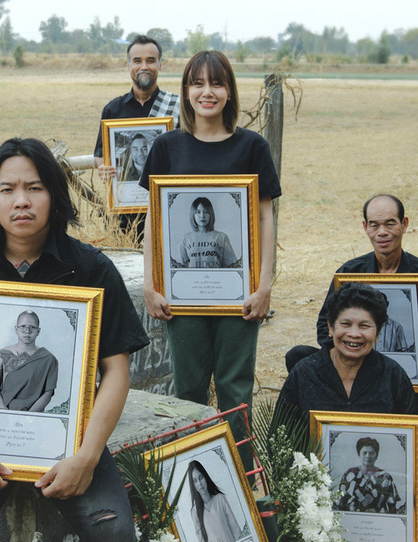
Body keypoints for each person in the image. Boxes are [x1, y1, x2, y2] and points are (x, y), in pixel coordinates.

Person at [0, 138, 149, 542]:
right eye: (7, 189)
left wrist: (87, 458)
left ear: (54, 196)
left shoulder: (91, 269)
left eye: (34, 188)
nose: (21, 201)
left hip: (69, 441)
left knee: (116, 535)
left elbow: (116, 370)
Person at [140, 50, 280, 470]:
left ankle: (242, 476)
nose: (207, 92)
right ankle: (190, 472)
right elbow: (154, 220)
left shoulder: (251, 147)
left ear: (229, 91)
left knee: (236, 390)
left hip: (239, 296)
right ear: (185, 91)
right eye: (197, 83)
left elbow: (265, 217)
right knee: (188, 390)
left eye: (216, 83)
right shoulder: (167, 147)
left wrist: (264, 285)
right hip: (183, 298)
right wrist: (151, 283)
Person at [275, 283, 418, 524]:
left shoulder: (393, 376)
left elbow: (413, 449)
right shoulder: (304, 374)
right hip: (314, 499)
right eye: (345, 324)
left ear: (378, 332)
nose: (354, 334)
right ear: (330, 327)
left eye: (364, 326)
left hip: (380, 505)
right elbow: (281, 440)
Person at [284, 195, 418, 388]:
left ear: (404, 224)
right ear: (365, 227)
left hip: (408, 374)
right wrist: (348, 344)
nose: (382, 232)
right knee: (299, 356)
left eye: (390, 224)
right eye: (374, 225)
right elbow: (324, 327)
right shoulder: (349, 273)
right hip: (354, 367)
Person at [95, 35, 180, 239]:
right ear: (128, 65)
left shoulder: (178, 108)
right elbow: (100, 154)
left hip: (167, 211)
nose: (144, 66)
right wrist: (103, 168)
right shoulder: (113, 109)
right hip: (125, 216)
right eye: (137, 61)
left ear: (160, 64)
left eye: (151, 60)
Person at [0, 310, 59, 412]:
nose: (27, 331)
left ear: (38, 331)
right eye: (23, 326)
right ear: (16, 329)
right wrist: (4, 412)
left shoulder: (48, 359)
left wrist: (28, 415)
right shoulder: (1, 355)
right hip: (3, 413)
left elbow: (48, 393)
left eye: (32, 327)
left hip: (33, 416)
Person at [336, 437, 405, 514]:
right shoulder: (350, 474)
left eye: (371, 453)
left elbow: (392, 506)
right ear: (359, 454)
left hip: (379, 521)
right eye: (364, 453)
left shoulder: (385, 477)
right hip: (352, 520)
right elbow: (341, 502)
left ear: (376, 456)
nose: (368, 456)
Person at [186, 461, 240, 542]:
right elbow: (201, 541)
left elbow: (236, 530)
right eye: (195, 481)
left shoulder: (220, 499)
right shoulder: (195, 512)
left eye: (201, 477)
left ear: (205, 477)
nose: (199, 484)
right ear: (192, 485)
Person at [178, 196, 239, 268]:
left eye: (206, 212)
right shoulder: (186, 238)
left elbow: (232, 265)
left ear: (211, 214)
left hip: (216, 278)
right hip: (193, 278)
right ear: (193, 215)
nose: (202, 215)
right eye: (198, 212)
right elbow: (182, 268)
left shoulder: (221, 237)